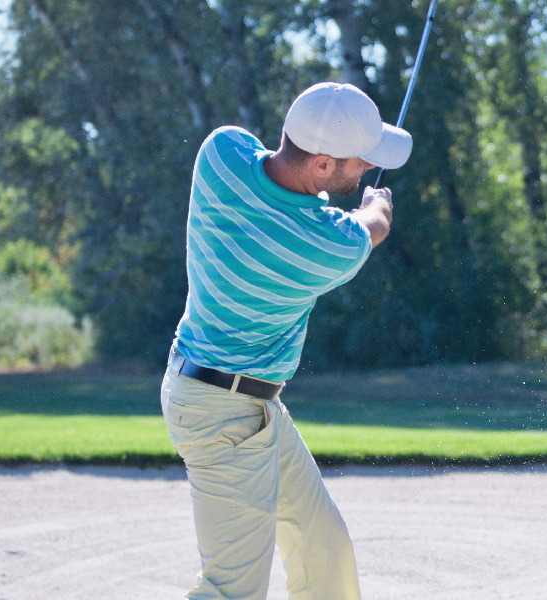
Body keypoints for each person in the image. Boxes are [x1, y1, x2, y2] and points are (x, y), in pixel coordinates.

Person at [160, 81, 407, 600]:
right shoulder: (325, 244)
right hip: (220, 413)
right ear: (321, 165)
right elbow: (373, 224)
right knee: (232, 590)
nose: (367, 167)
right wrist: (377, 201)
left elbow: (276, 173)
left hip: (241, 402)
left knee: (325, 550)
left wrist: (354, 196)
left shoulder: (220, 155)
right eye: (359, 160)